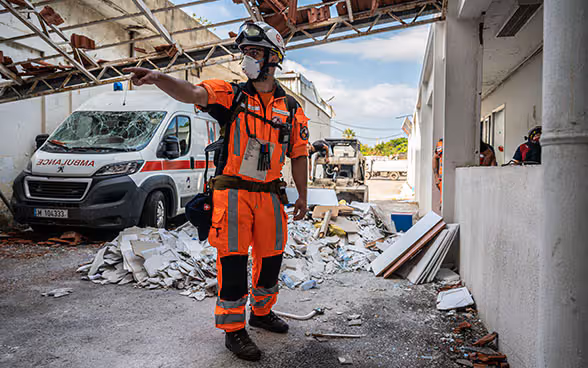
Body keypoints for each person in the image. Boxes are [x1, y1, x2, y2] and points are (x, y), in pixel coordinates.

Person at [123, 21, 309, 362]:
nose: (246, 60)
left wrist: (303, 196)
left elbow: (299, 154)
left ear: (273, 58)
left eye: (254, 53)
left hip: (270, 195)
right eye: (245, 53)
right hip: (233, 194)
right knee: (234, 262)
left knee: (271, 259)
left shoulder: (292, 109)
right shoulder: (231, 94)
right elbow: (192, 92)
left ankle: (262, 313)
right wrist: (159, 78)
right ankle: (234, 330)